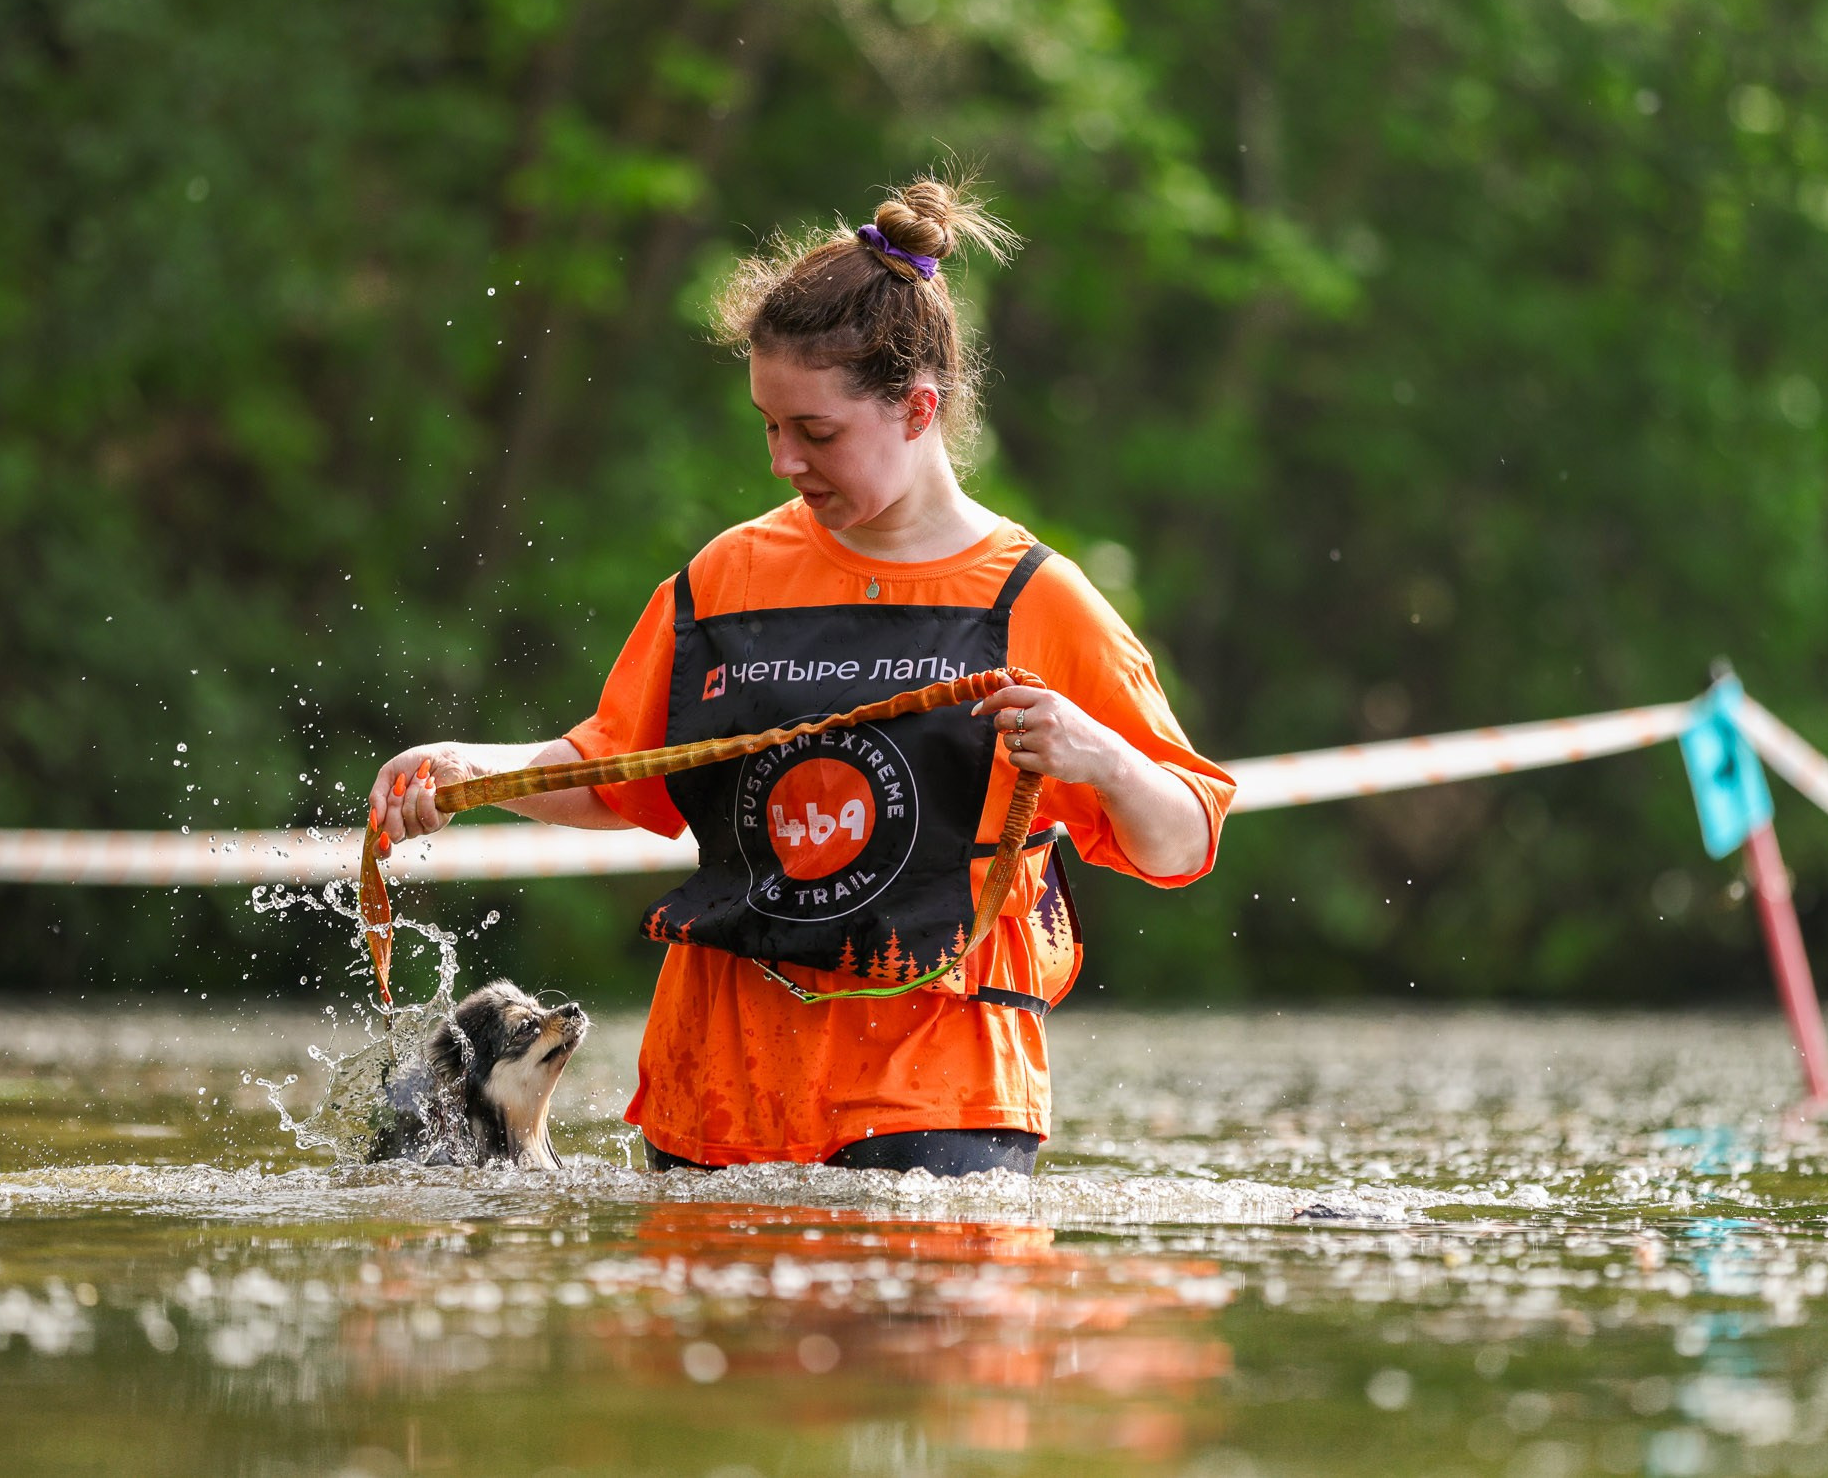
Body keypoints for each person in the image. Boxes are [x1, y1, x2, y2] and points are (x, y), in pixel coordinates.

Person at [369, 175, 1233, 1177]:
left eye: (814, 431)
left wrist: (1101, 755)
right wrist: (463, 765)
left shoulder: (1039, 600)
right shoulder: (724, 578)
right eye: (768, 425)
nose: (784, 459)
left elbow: (1181, 840)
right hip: (713, 1100)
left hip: (937, 1099)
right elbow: (618, 769)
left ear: (918, 409)